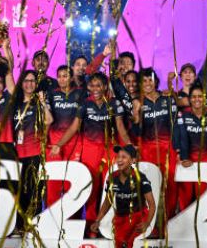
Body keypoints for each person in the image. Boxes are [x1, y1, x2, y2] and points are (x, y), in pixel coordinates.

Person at [51, 73, 132, 237]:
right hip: (90, 150)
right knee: (91, 188)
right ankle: (91, 225)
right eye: (92, 85)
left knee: (111, 187)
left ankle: (110, 226)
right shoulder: (84, 104)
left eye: (99, 85)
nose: (95, 89)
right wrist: (59, 144)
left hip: (110, 149)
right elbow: (74, 127)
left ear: (105, 87)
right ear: (89, 87)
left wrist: (130, 147)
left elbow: (120, 128)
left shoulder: (114, 103)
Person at [91, 144, 156, 248]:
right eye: (118, 157)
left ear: (133, 160)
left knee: (124, 245)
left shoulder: (140, 178)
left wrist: (147, 223)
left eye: (124, 157)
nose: (119, 160)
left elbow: (152, 204)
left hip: (138, 216)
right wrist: (98, 220)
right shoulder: (112, 177)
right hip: (120, 218)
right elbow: (108, 201)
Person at [133, 67, 179, 219]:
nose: (148, 83)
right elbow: (136, 131)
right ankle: (150, 224)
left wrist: (179, 149)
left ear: (156, 82)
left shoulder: (167, 98)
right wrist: (136, 115)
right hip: (148, 151)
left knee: (170, 186)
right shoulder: (138, 102)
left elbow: (176, 125)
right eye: (144, 81)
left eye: (150, 80)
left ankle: (168, 221)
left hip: (168, 150)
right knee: (149, 187)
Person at [12, 70, 53, 234]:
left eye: (32, 81)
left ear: (36, 84)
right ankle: (19, 225)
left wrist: (42, 102)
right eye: (26, 81)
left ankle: (32, 225)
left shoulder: (38, 103)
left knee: (33, 191)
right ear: (21, 84)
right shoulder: (15, 104)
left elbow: (49, 120)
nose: (29, 84)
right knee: (19, 192)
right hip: (17, 154)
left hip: (34, 153)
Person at [176, 83, 207, 209]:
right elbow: (182, 137)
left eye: (200, 96)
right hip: (188, 160)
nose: (197, 99)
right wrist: (183, 158)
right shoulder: (183, 114)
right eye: (193, 96)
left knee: (206, 199)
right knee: (186, 200)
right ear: (189, 99)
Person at [46, 65, 85, 206]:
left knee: (71, 181)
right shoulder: (51, 94)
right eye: (59, 76)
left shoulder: (80, 94)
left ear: (72, 78)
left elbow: (77, 124)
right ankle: (52, 215)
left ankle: (72, 216)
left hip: (74, 142)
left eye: (65, 76)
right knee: (53, 182)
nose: (62, 79)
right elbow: (47, 119)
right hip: (54, 142)